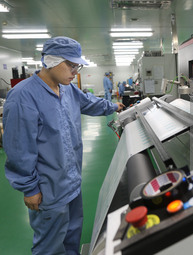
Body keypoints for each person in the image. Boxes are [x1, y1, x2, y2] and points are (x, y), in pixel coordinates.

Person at [2, 36, 124, 255]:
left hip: (72, 181)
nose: (75, 70)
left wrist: (113, 105)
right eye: (71, 64)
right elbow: (19, 148)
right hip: (48, 188)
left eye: (77, 65)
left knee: (72, 236)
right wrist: (29, 188)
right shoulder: (23, 96)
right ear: (50, 60)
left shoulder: (67, 90)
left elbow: (89, 103)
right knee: (49, 245)